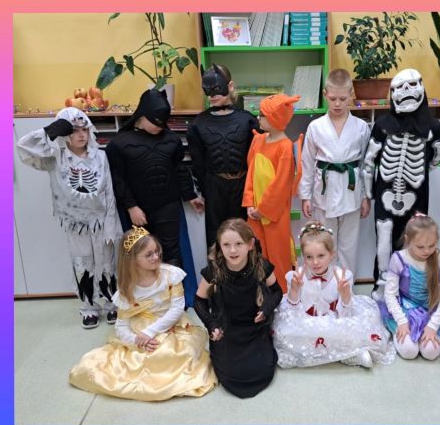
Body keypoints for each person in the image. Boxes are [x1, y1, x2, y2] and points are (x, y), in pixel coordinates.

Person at [69, 226, 217, 401]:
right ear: (132, 260)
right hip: (140, 331)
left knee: (175, 353)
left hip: (170, 325)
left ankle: (162, 379)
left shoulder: (170, 275)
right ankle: (151, 379)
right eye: (148, 255)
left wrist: (150, 332)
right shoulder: (127, 289)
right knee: (138, 358)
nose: (156, 257)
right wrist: (137, 341)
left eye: (157, 251)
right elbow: (121, 325)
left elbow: (177, 308)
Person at [17, 107, 122, 329]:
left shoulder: (100, 156)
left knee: (107, 264)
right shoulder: (55, 157)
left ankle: (111, 304)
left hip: (100, 221)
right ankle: (89, 308)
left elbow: (109, 193)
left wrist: (111, 226)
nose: (81, 134)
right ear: (65, 133)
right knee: (82, 265)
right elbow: (24, 148)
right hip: (75, 224)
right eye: (74, 130)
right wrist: (51, 131)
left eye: (85, 129)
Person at [105, 88, 201, 301]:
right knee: (142, 254)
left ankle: (175, 298)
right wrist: (131, 206)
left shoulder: (171, 140)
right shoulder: (119, 144)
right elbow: (117, 179)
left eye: (163, 122)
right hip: (138, 208)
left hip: (168, 204)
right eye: (156, 121)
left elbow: (179, 170)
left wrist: (190, 195)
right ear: (142, 115)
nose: (160, 126)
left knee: (171, 251)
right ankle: (147, 300)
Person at [362, 68, 440, 303]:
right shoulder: (382, 125)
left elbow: (436, 157)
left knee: (416, 241)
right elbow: (369, 162)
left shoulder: (432, 127)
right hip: (385, 194)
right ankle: (382, 289)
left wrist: (420, 170)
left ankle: (411, 289)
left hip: (416, 196)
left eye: (411, 85)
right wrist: (368, 194)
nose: (406, 91)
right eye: (399, 88)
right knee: (384, 239)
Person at [272, 221, 395, 369]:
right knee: (287, 333)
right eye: (309, 257)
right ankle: (345, 354)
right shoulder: (296, 276)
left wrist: (345, 296)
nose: (315, 262)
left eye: (321, 256)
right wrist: (294, 290)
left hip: (335, 318)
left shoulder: (342, 276)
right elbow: (292, 313)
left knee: (347, 331)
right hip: (306, 319)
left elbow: (345, 315)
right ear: (303, 256)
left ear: (331, 254)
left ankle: (353, 354)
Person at [193, 218, 283, 398]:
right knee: (233, 372)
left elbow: (277, 292)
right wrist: (211, 324)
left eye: (238, 244)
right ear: (220, 247)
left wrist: (266, 308)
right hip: (227, 328)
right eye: (226, 245)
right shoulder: (214, 270)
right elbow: (199, 301)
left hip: (254, 328)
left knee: (259, 369)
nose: (232, 250)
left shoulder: (260, 265)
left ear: (250, 245)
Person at [298, 68, 371, 275]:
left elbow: (365, 165)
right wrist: (305, 196)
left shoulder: (361, 127)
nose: (337, 104)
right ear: (325, 95)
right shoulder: (315, 126)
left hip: (352, 191)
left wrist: (366, 196)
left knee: (349, 245)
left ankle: (346, 287)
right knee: (324, 243)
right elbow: (307, 163)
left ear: (351, 95)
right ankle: (325, 286)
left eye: (342, 99)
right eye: (332, 99)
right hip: (324, 192)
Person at [187, 64, 259, 249]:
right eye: (207, 89)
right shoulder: (198, 124)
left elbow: (257, 160)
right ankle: (217, 269)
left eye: (217, 88)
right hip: (214, 187)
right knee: (216, 237)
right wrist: (204, 191)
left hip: (243, 187)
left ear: (230, 86)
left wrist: (254, 192)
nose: (212, 94)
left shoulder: (248, 120)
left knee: (245, 235)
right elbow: (198, 162)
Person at [243, 93, 303, 291]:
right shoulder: (258, 140)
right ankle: (260, 292)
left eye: (263, 115)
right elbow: (251, 174)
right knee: (255, 253)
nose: (258, 118)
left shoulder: (285, 147)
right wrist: (250, 202)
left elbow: (281, 185)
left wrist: (263, 209)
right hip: (255, 213)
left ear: (275, 119)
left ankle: (283, 294)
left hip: (274, 215)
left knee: (278, 255)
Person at [383, 213, 440, 361]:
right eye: (420, 247)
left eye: (432, 245)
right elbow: (390, 294)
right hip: (405, 309)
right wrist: (402, 322)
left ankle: (427, 332)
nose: (427, 251)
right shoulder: (399, 258)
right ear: (408, 240)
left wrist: (433, 326)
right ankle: (397, 330)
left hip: (431, 311)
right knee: (409, 351)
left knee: (431, 352)